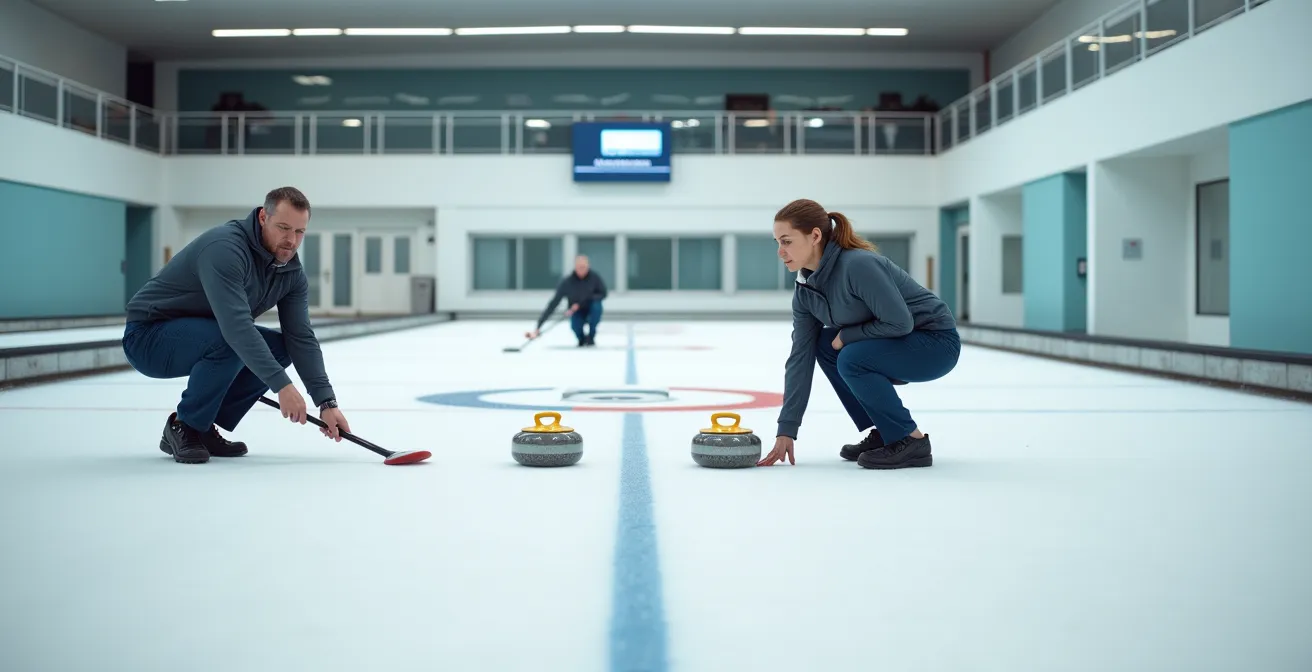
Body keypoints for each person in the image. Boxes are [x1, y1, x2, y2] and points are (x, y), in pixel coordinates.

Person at [121, 187, 351, 464]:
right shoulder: (225, 249)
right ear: (263, 217)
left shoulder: (290, 272)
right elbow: (236, 327)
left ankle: (202, 425)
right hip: (149, 337)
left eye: (300, 232)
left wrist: (326, 402)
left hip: (206, 334)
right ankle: (185, 425)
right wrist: (282, 385)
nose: (291, 240)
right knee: (232, 340)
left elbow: (301, 337)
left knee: (280, 348)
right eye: (283, 228)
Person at [758, 198, 960, 470]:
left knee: (849, 355)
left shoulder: (857, 265)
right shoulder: (805, 290)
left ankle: (911, 441)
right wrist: (787, 429)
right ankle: (887, 432)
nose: (780, 252)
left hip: (935, 344)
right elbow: (800, 358)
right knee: (825, 346)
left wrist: (847, 336)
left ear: (815, 236)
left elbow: (900, 323)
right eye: (777, 243)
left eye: (787, 241)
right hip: (897, 343)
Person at [526, 255, 608, 347]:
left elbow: (603, 293)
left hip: (591, 307)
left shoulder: (595, 278)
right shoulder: (567, 282)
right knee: (575, 326)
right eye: (579, 267)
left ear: (588, 266)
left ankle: (591, 337)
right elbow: (553, 303)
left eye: (584, 267)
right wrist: (539, 326)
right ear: (575, 267)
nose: (582, 269)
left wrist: (585, 300)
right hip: (576, 311)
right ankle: (582, 339)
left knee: (597, 307)